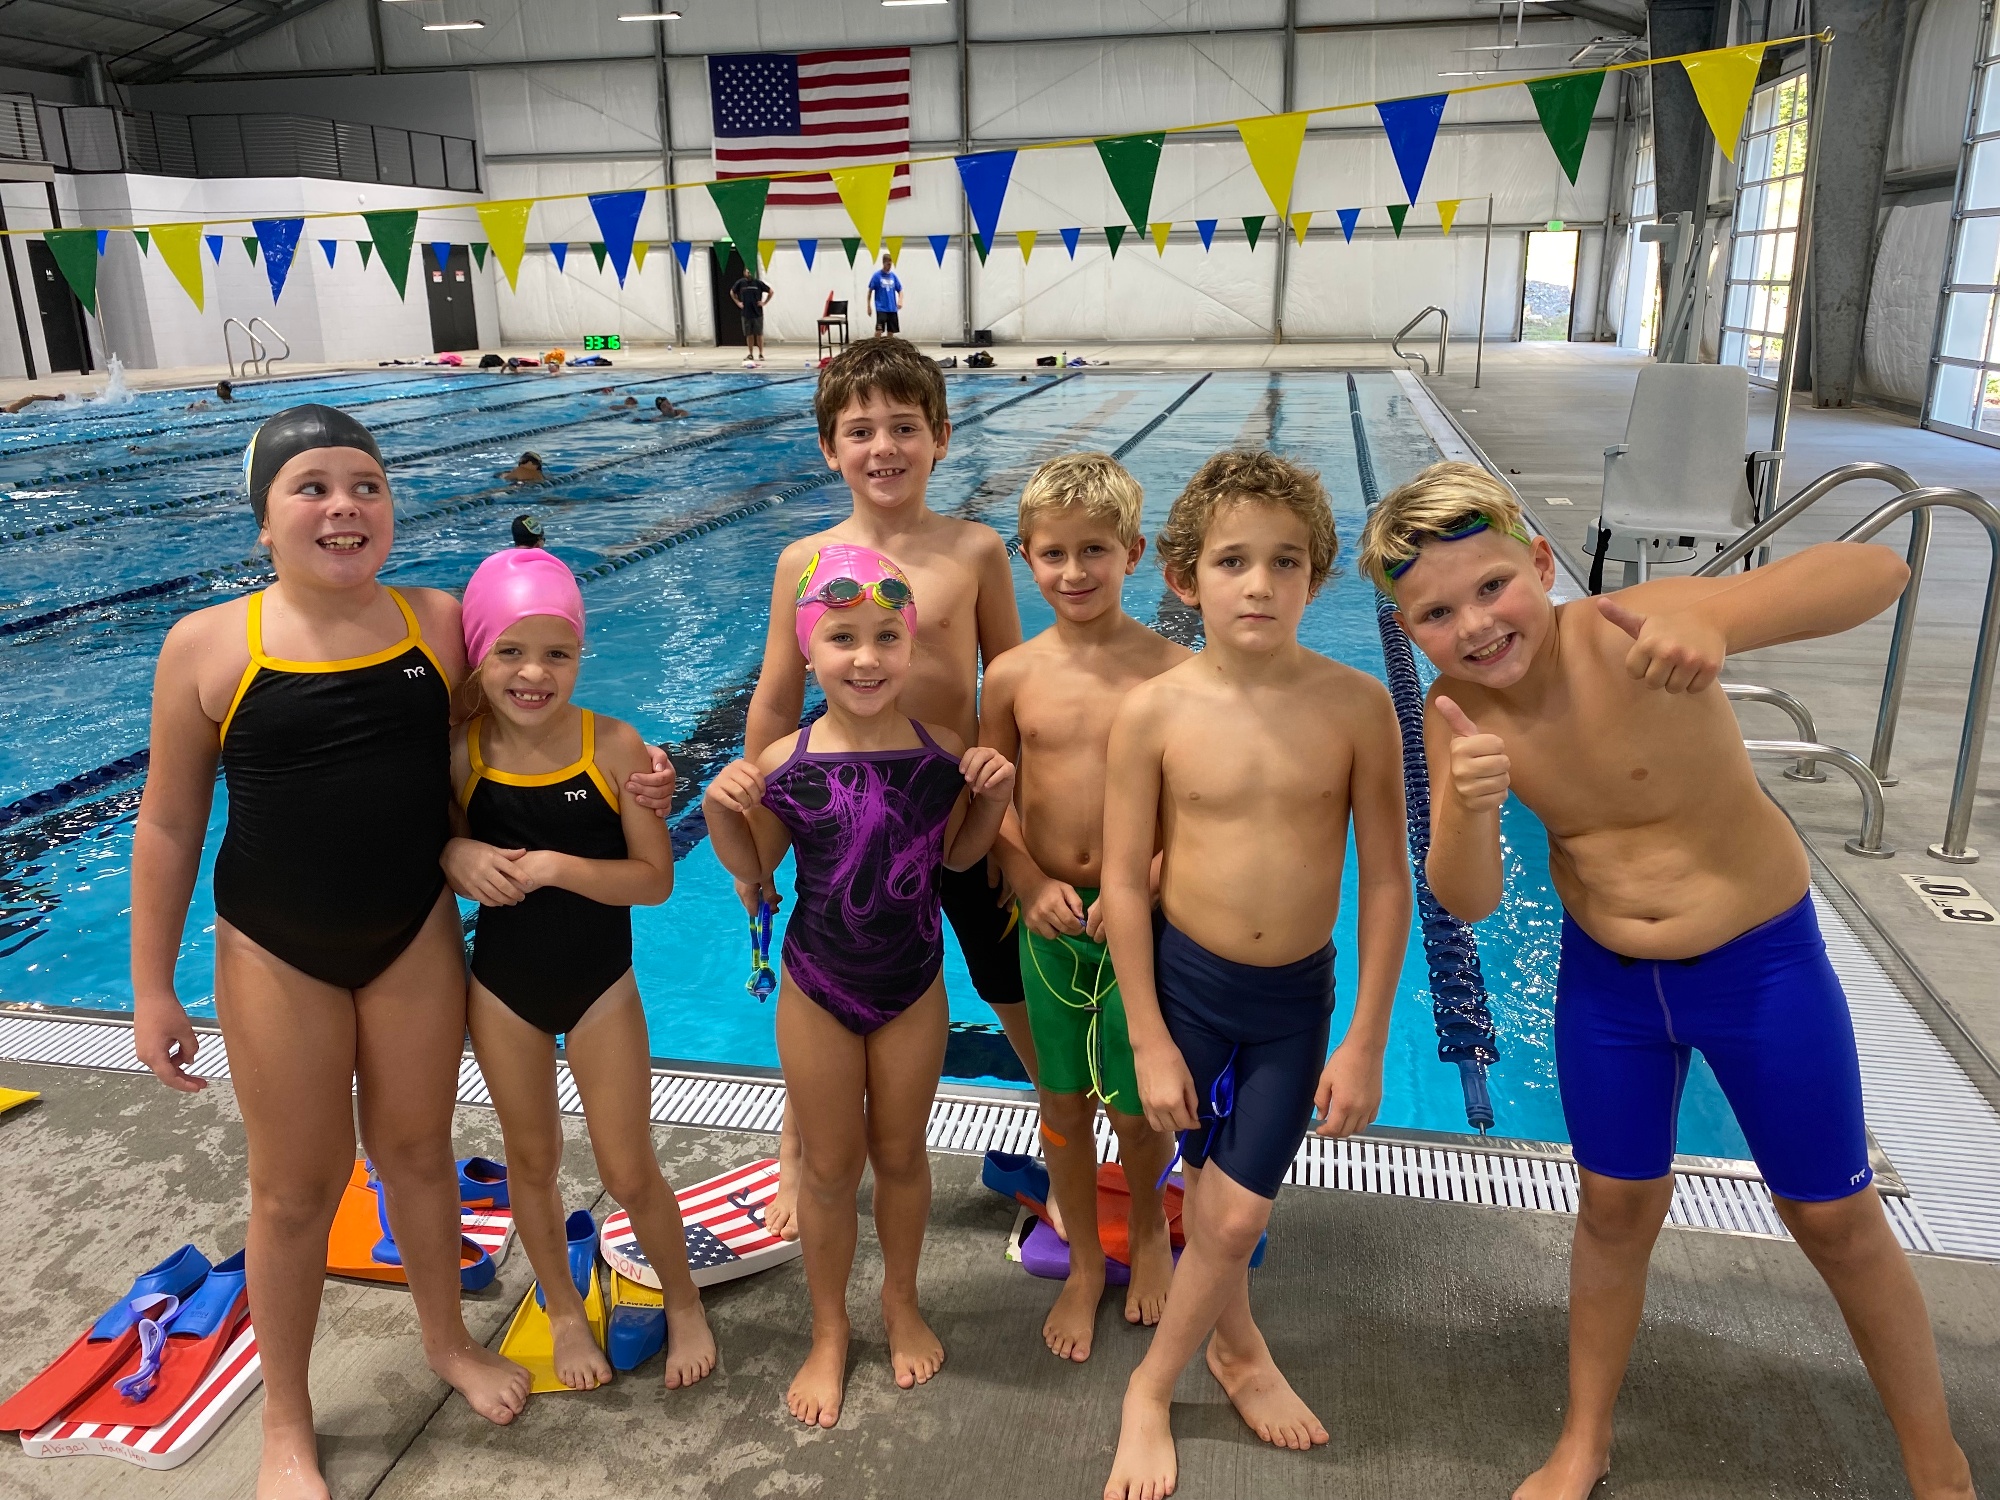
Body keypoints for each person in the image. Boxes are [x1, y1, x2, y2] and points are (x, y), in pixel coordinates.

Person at [1361, 461, 1974, 1500]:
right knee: (1612, 1207)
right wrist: (1466, 805)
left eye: (1492, 587)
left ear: (1540, 564)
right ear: (1408, 629)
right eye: (1435, 614)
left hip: (1757, 967)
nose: (1474, 626)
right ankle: (1583, 1439)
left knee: (1832, 1216)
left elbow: (1876, 573)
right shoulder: (1455, 713)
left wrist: (1716, 619)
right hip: (1610, 987)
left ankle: (1937, 1463)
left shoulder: (1631, 628)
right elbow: (1464, 902)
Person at [128, 406, 535, 1498]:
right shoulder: (209, 646)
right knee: (293, 1192)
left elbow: (506, 746)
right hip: (276, 947)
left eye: (366, 485)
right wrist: (152, 985)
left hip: (410, 933)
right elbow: (168, 823)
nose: (343, 505)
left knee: (419, 1153)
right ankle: (287, 1422)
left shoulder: (437, 623)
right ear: (264, 519)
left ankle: (447, 1342)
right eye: (310, 486)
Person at [1100, 450, 1412, 1500]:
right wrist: (1146, 1036)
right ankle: (1232, 1353)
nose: (1259, 584)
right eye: (1232, 561)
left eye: (1285, 562)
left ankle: (1151, 1386)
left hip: (1292, 1004)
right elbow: (1122, 883)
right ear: (1184, 578)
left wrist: (1365, 1038)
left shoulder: (1356, 706)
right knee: (1206, 1196)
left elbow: (1384, 882)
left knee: (1234, 1218)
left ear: (1315, 577)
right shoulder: (1153, 711)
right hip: (1184, 989)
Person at [703, 544, 1015, 1428]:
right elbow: (756, 870)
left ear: (913, 647)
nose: (867, 658)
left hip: (912, 986)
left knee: (903, 1157)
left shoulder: (941, 753)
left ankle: (900, 1303)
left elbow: (959, 858)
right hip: (818, 987)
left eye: (887, 636)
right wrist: (723, 809)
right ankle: (829, 1329)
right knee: (831, 1170)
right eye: (843, 638)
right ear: (809, 650)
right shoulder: (786, 762)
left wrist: (993, 799)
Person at [741, 338, 1027, 1243]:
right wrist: (756, 833)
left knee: (1015, 988)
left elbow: (1010, 686)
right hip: (843, 824)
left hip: (955, 814)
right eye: (860, 431)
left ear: (941, 436)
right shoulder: (804, 558)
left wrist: (1013, 829)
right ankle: (798, 1149)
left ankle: (1066, 1145)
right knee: (825, 976)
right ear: (830, 449)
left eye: (905, 427)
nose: (884, 448)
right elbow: (776, 697)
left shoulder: (975, 550)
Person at [444, 547, 717, 1394]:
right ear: (479, 656)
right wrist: (453, 852)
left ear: (580, 656)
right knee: (530, 1162)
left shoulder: (613, 745)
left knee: (628, 1168)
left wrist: (559, 868)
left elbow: (655, 880)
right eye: (511, 652)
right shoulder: (462, 753)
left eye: (557, 653)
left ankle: (685, 1302)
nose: (534, 673)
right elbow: (432, 847)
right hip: (502, 991)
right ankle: (563, 1311)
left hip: (602, 988)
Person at [978, 453, 1187, 1362]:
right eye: (1054, 553)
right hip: (1050, 921)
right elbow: (991, 800)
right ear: (1026, 557)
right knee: (1062, 1104)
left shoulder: (1176, 672)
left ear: (1133, 553)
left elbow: (1197, 807)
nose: (1074, 572)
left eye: (1094, 550)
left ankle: (1145, 1228)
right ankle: (1087, 1267)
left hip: (1146, 922)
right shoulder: (1012, 676)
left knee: (1139, 1110)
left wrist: (1152, 881)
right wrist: (1026, 880)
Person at [732, 267, 774, 367]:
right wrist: (738, 302)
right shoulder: (740, 283)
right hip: (746, 313)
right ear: (744, 272)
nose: (749, 273)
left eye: (751, 271)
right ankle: (750, 353)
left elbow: (771, 291)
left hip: (757, 313)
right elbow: (732, 292)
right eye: (747, 271)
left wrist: (764, 302)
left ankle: (761, 353)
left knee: (759, 334)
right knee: (749, 334)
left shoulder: (758, 283)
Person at [866, 252, 903, 338]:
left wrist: (900, 300)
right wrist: (868, 306)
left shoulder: (893, 276)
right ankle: (875, 344)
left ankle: (888, 345)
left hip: (892, 308)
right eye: (888, 264)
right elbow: (870, 291)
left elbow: (900, 290)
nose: (889, 266)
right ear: (883, 263)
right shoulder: (877, 276)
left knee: (891, 331)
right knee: (879, 330)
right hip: (881, 308)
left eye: (891, 264)